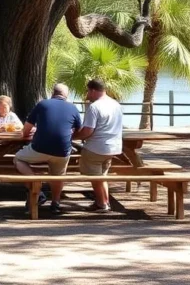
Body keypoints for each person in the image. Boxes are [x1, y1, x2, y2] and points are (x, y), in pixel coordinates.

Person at [14, 84, 82, 215]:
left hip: (40, 148)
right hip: (62, 150)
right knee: (58, 175)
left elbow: (27, 128)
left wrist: (24, 135)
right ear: (66, 95)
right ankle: (55, 203)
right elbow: (78, 130)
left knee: (18, 158)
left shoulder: (43, 104)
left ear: (53, 93)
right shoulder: (73, 108)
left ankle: (37, 187)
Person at [72, 78, 124, 212]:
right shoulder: (116, 105)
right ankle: (105, 201)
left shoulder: (94, 107)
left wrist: (73, 136)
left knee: (95, 177)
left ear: (94, 90)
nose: (87, 95)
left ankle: (101, 204)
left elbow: (88, 131)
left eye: (88, 91)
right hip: (114, 147)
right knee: (102, 176)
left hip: (97, 148)